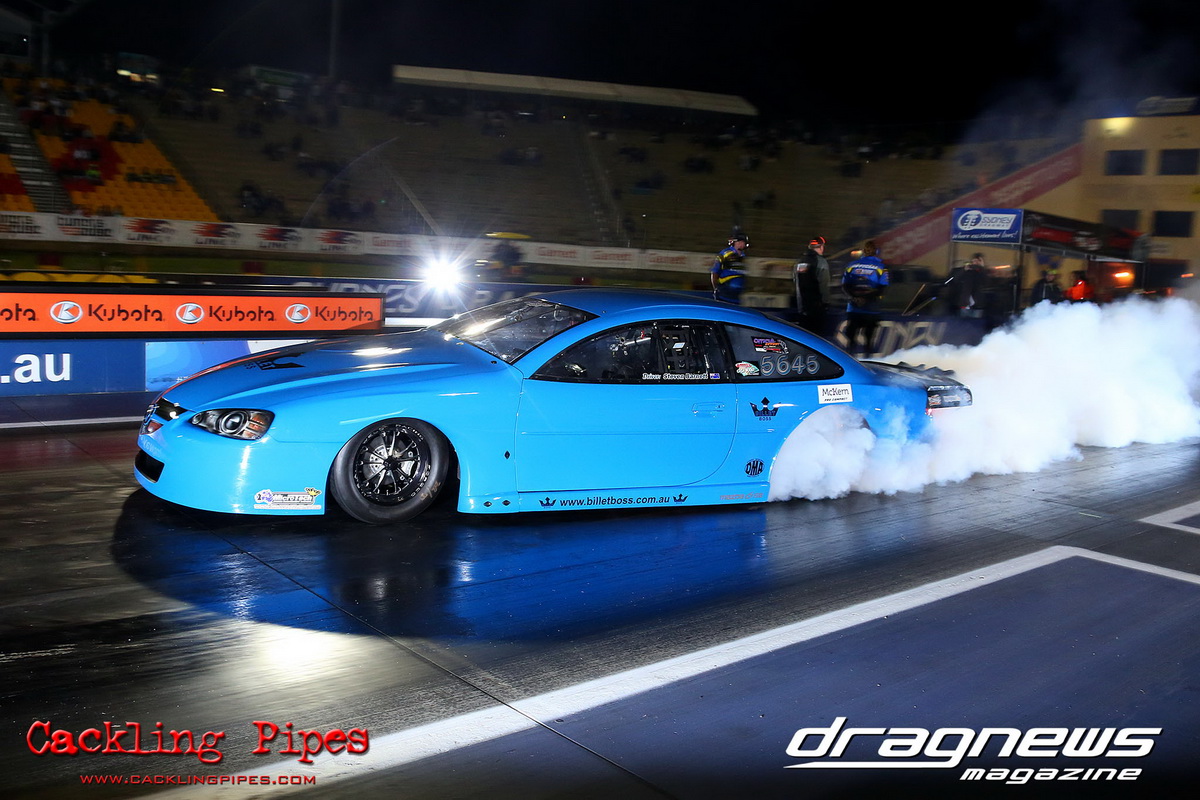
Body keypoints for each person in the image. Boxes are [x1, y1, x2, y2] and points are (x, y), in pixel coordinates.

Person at [841, 239, 889, 354]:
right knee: (869, 340)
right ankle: (867, 361)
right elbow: (882, 288)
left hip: (854, 308)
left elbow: (845, 285)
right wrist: (866, 299)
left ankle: (849, 362)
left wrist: (855, 298)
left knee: (851, 340)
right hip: (871, 309)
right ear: (876, 251)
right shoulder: (881, 267)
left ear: (863, 251)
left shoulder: (851, 265)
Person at [794, 235, 831, 335]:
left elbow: (796, 281)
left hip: (801, 307)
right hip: (817, 308)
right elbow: (824, 284)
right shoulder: (821, 262)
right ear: (821, 247)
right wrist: (825, 303)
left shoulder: (800, 261)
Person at [711, 230, 749, 303]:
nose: (741, 244)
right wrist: (715, 288)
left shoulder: (743, 256)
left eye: (743, 242)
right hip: (725, 291)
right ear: (733, 242)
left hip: (737, 294)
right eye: (739, 242)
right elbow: (715, 271)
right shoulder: (725, 254)